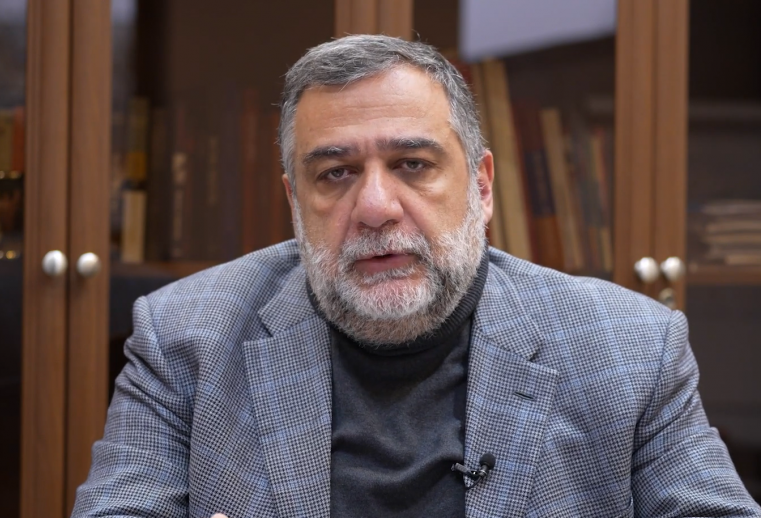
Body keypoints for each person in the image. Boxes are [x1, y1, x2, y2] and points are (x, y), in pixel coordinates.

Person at [71, 35, 760, 517]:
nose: (375, 206)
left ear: (481, 186)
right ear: (293, 201)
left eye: (412, 165)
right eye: (335, 173)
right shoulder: (183, 339)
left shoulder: (632, 349)